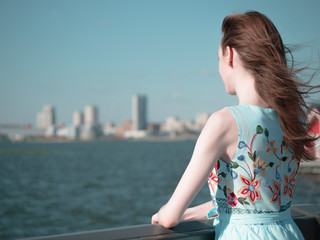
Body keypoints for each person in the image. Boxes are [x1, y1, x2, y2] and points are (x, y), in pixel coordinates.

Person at [151, 11, 319, 239]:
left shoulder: (224, 122)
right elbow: (256, 205)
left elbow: (170, 216)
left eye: (217, 57)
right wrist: (194, 212)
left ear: (230, 55)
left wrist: (162, 213)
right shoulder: (289, 120)